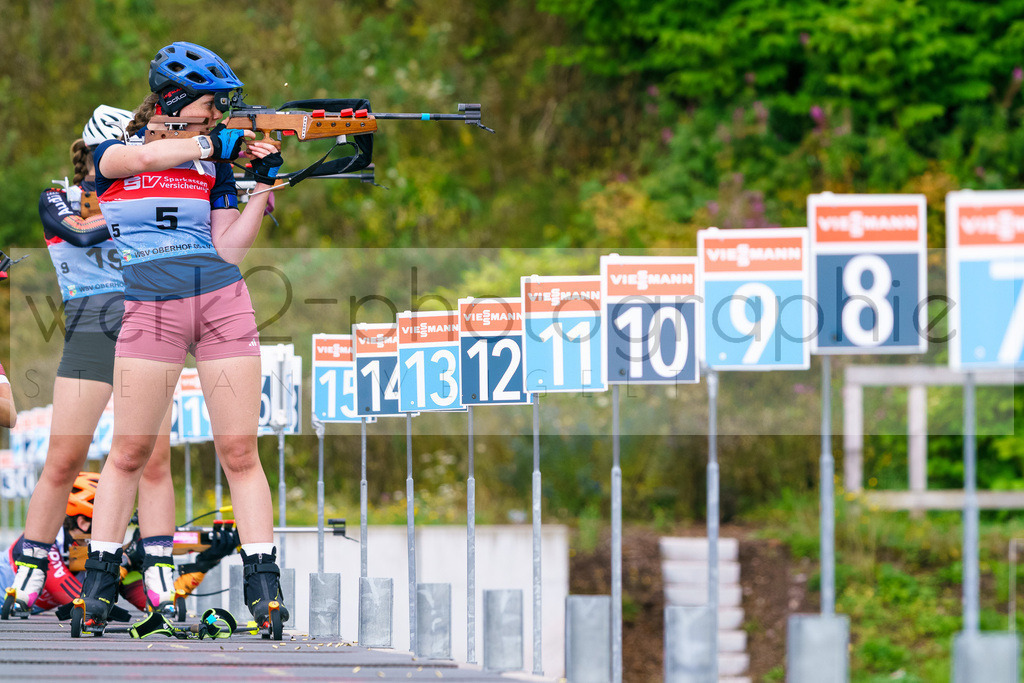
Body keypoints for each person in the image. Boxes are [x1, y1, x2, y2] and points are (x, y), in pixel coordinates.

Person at [76, 41, 287, 638]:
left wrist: (260, 187)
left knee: (240, 452)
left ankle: (263, 584)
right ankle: (99, 583)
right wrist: (206, 143)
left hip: (221, 300)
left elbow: (227, 249)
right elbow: (120, 166)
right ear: (175, 100)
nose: (219, 116)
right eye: (211, 105)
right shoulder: (114, 146)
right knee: (129, 452)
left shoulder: (212, 160)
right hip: (152, 308)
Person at [3, 108, 179, 621]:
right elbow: (79, 235)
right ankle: (29, 576)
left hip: (147, 325)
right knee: (63, 460)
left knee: (155, 460)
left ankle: (160, 580)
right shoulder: (58, 194)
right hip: (89, 327)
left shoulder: (145, 194)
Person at [2, 472, 238, 616]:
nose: (116, 527)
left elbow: (154, 604)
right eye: (108, 519)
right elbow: (75, 598)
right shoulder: (40, 543)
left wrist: (204, 564)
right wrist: (124, 561)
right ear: (84, 522)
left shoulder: (88, 552)